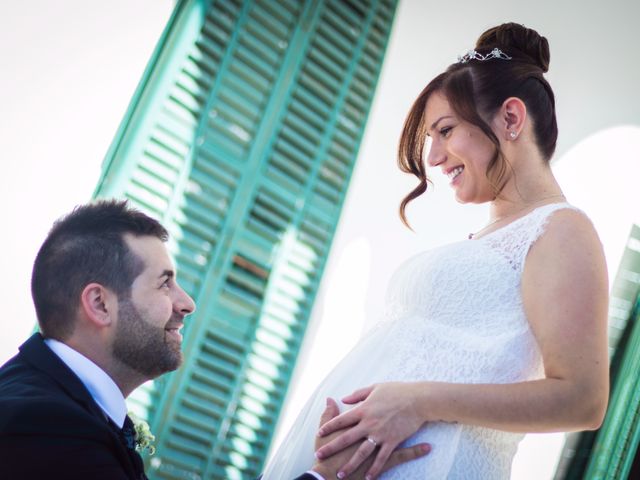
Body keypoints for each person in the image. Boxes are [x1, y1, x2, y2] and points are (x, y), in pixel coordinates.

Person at [263, 22, 609, 479]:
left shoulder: (561, 230)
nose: (433, 158)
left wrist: (416, 400)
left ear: (510, 119)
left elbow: (581, 399)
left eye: (445, 131)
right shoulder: (493, 237)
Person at [0, 200, 428, 480]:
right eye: (164, 283)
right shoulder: (41, 423)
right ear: (100, 304)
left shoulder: (52, 403)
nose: (187, 303)